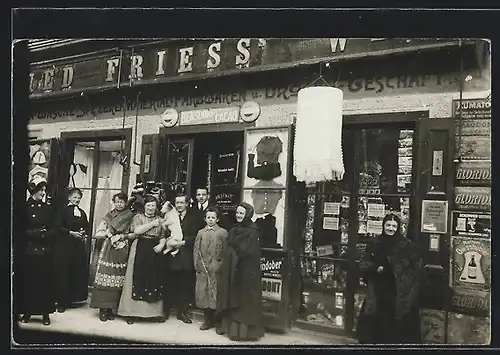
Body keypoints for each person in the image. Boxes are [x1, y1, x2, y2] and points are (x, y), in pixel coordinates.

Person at [356, 213, 422, 344]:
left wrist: (404, 279)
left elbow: (414, 267)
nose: (390, 228)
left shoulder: (406, 245)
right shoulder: (375, 243)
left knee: (395, 320)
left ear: (398, 228)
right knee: (377, 317)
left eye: (393, 226)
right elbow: (363, 263)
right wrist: (374, 268)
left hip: (398, 289)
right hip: (378, 287)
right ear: (383, 226)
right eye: (388, 225)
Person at [216, 202, 264, 341]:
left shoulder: (253, 231)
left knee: (244, 301)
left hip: (246, 272)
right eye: (237, 213)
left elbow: (245, 251)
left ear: (248, 215)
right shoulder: (235, 228)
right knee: (233, 297)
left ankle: (244, 333)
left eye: (241, 213)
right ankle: (232, 330)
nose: (238, 215)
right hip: (234, 270)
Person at [117, 195, 168, 324]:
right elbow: (137, 231)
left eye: (153, 206)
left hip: (154, 249)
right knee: (136, 278)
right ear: (144, 206)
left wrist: (161, 245)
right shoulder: (138, 217)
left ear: (156, 207)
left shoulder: (160, 220)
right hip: (139, 247)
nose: (151, 208)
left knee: (154, 280)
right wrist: (152, 224)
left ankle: (154, 313)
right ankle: (131, 312)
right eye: (148, 205)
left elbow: (163, 235)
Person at [89, 192, 135, 322]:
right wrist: (109, 235)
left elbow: (133, 233)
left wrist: (122, 236)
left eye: (122, 202)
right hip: (109, 248)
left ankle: (112, 309)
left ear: (125, 203)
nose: (119, 204)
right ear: (113, 202)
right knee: (105, 276)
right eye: (117, 202)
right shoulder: (108, 217)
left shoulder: (130, 216)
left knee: (119, 278)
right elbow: (98, 233)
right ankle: (103, 309)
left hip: (123, 249)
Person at [17, 176, 56, 326]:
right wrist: (33, 233)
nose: (43, 193)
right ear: (33, 190)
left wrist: (46, 234)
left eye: (44, 190)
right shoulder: (23, 208)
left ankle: (45, 314)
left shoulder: (48, 208)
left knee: (44, 282)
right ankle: (27, 312)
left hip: (44, 249)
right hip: (28, 250)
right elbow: (17, 229)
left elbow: (54, 227)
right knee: (29, 282)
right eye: (41, 190)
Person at [163, 194, 205, 324]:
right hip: (171, 255)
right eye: (177, 203)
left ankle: (182, 312)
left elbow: (198, 236)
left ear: (187, 204)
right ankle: (166, 311)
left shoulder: (194, 218)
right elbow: (163, 232)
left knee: (185, 285)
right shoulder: (170, 216)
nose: (179, 205)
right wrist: (168, 240)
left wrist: (183, 243)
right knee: (169, 284)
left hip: (186, 255)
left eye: (182, 203)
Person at [53, 187, 91, 313]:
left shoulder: (82, 212)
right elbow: (58, 227)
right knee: (64, 271)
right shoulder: (63, 211)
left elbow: (86, 225)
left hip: (78, 246)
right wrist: (71, 233)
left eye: (79, 198)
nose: (77, 200)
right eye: (74, 197)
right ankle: (61, 302)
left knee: (75, 270)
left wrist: (83, 232)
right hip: (65, 245)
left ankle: (72, 299)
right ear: (69, 198)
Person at [193, 207, 228, 331]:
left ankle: (217, 322)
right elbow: (196, 250)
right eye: (208, 217)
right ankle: (207, 320)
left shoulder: (222, 232)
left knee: (215, 294)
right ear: (205, 219)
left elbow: (225, 251)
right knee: (203, 294)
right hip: (203, 269)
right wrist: (197, 265)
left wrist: (220, 265)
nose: (211, 220)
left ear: (217, 219)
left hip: (216, 269)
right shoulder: (201, 232)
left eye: (213, 217)